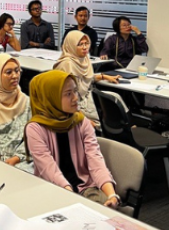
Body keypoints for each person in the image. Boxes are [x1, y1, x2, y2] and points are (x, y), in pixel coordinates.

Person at [24, 70, 120, 208]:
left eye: (75, 91)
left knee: (106, 213)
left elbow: (95, 160)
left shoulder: (82, 122)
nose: (75, 98)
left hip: (85, 187)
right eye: (68, 94)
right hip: (53, 189)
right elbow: (49, 170)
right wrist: (71, 197)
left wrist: (111, 194)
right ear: (51, 98)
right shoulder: (35, 129)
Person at [54, 31, 119, 129]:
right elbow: (65, 98)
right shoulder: (66, 64)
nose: (85, 47)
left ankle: (126, 124)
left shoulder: (84, 59)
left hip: (87, 96)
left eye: (86, 43)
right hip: (75, 103)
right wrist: (83, 118)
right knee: (103, 119)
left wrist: (104, 76)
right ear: (71, 45)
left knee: (115, 97)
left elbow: (87, 77)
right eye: (80, 44)